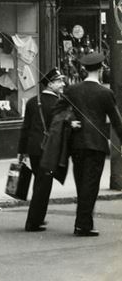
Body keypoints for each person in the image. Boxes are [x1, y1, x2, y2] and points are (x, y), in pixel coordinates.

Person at [55, 51, 122, 237]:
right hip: (97, 145)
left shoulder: (72, 90)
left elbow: (57, 112)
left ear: (83, 69)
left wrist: (70, 121)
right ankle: (83, 225)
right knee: (91, 185)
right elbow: (116, 122)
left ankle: (84, 222)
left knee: (81, 183)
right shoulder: (106, 93)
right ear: (101, 69)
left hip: (76, 144)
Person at [17, 67, 65, 231]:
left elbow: (25, 128)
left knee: (39, 182)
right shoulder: (58, 104)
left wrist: (21, 152)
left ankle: (38, 218)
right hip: (48, 149)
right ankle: (33, 222)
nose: (62, 84)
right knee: (43, 186)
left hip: (33, 149)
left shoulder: (32, 101)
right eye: (59, 81)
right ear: (50, 84)